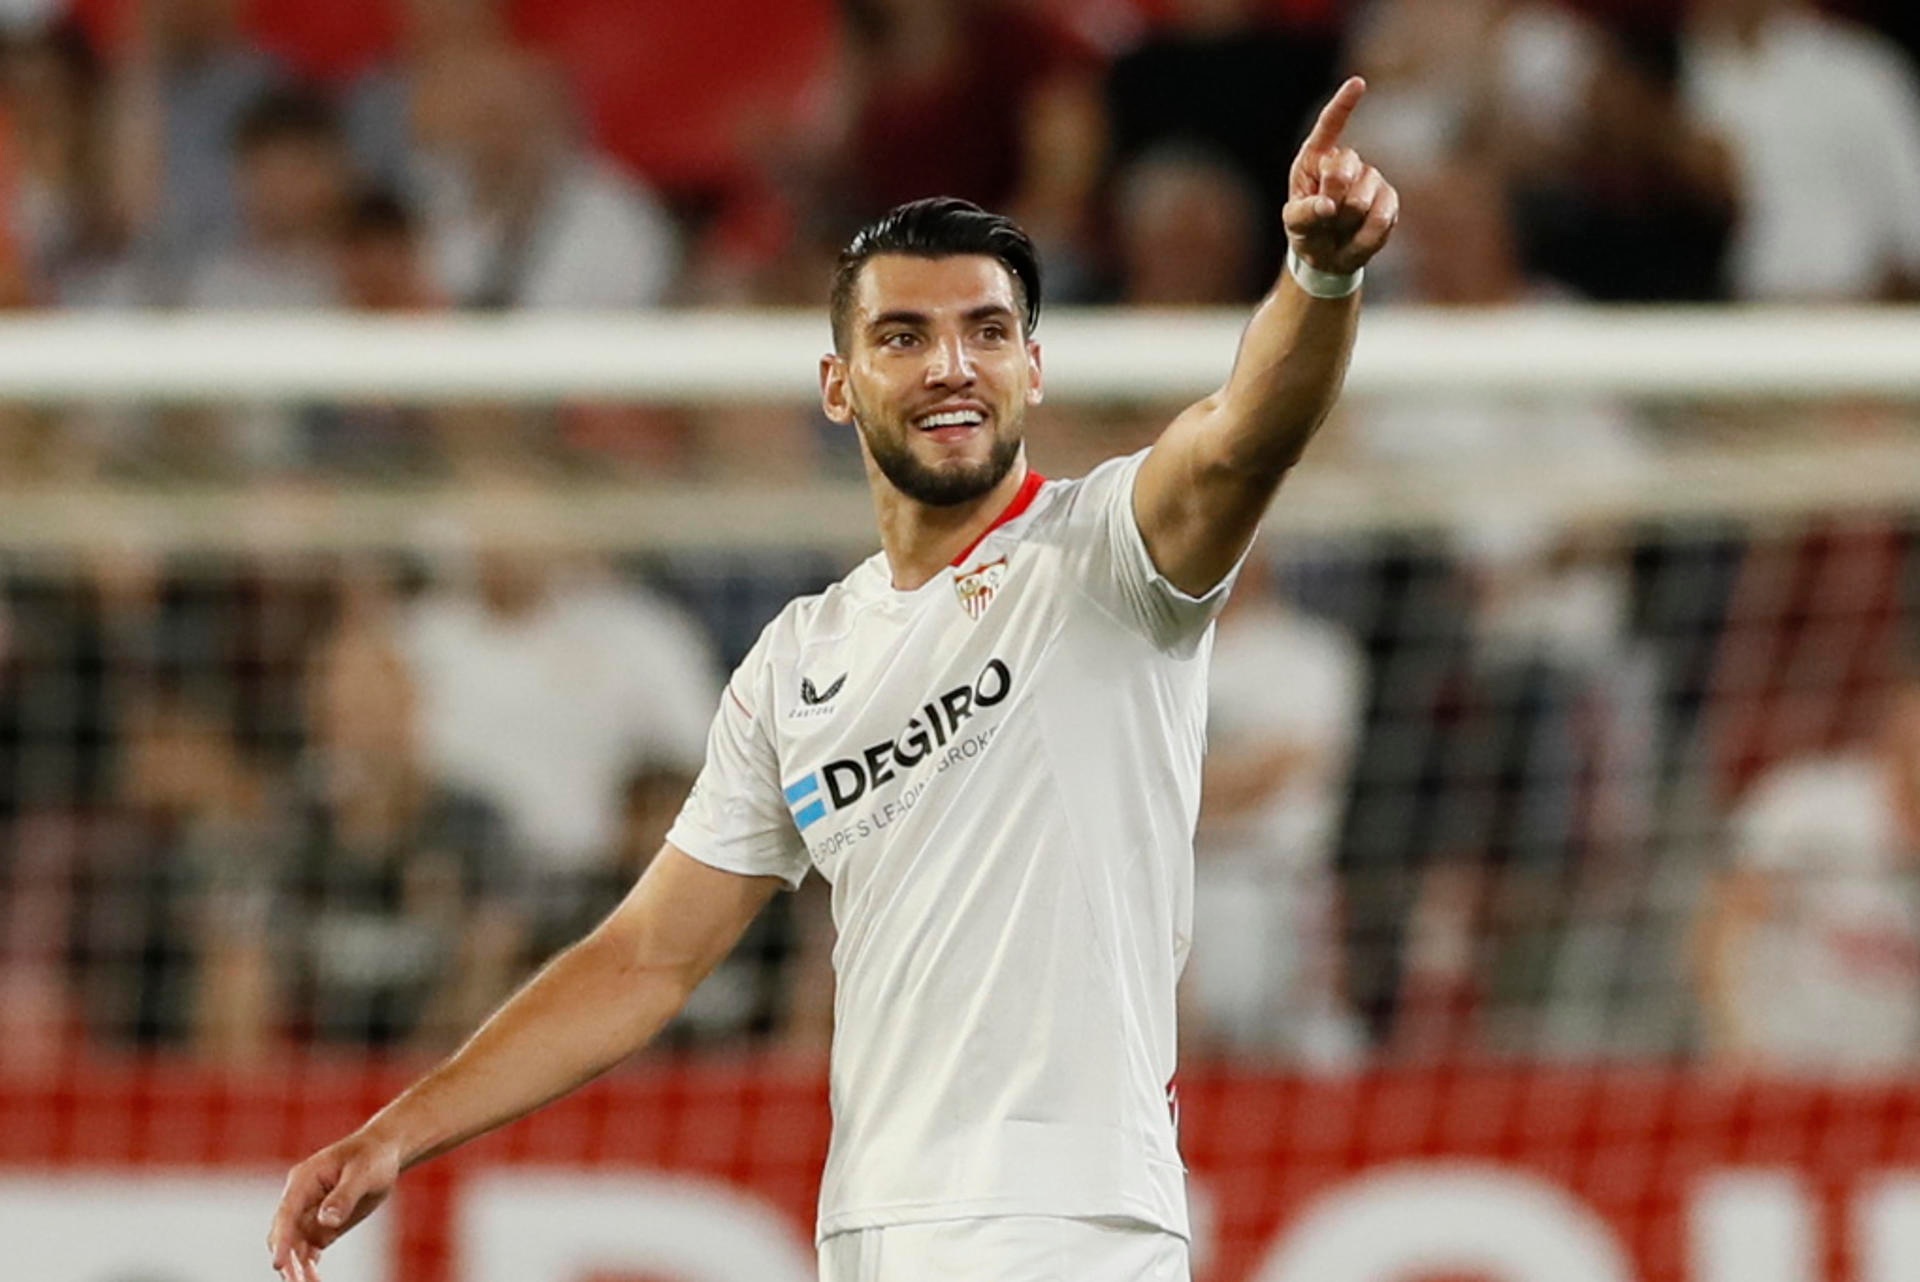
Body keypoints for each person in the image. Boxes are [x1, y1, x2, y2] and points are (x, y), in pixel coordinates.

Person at [268, 77, 1398, 1282]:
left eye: (987, 331)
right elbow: (646, 956)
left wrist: (1320, 277)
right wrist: (400, 1129)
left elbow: (1241, 437)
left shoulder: (1106, 557)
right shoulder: (799, 660)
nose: (951, 365)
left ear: (1033, 370)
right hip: (871, 1230)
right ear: (837, 385)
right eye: (904, 336)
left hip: (1070, 1223)